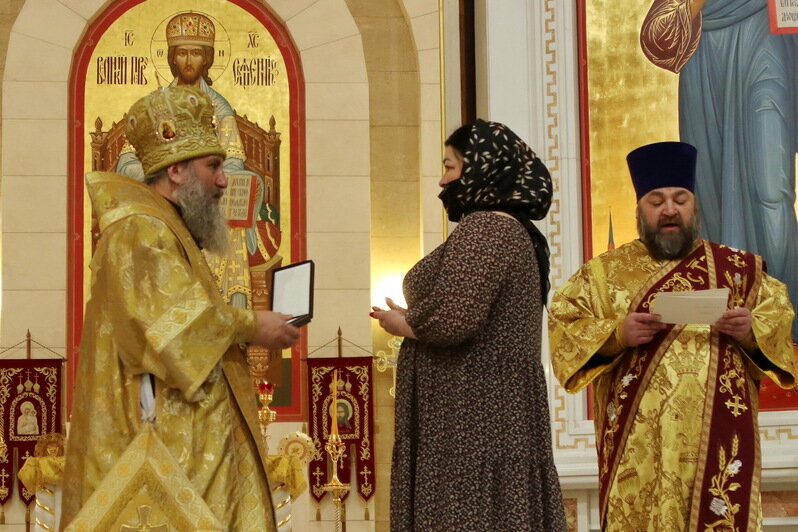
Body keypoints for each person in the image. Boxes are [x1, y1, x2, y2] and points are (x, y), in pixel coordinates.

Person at [61, 86, 300, 530]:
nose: (224, 181)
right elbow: (172, 329)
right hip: (164, 450)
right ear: (176, 170)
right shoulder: (141, 230)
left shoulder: (165, 226)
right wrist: (252, 325)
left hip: (189, 448)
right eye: (213, 167)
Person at [548, 141, 796, 531]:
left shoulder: (738, 269)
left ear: (694, 205)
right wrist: (617, 334)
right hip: (637, 445)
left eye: (680, 200)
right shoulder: (602, 275)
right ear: (639, 209)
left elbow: (778, 317)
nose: (669, 209)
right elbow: (564, 326)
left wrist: (750, 331)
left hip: (717, 438)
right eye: (657, 201)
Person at [371, 119, 566, 531]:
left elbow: (454, 320)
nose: (443, 181)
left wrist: (403, 323)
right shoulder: (509, 229)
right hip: (487, 415)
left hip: (470, 418)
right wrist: (418, 317)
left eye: (450, 167)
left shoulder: (487, 228)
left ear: (481, 167)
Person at [640, 0, 798, 341]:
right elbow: (658, 38)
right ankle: (731, 318)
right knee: (713, 198)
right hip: (706, 58)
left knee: (772, 191)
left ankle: (782, 321)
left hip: (768, 41)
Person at [116, 11, 280, 310]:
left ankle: (230, 315)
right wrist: (165, 174)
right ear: (171, 58)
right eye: (182, 53)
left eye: (196, 53)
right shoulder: (155, 106)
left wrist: (208, 178)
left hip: (205, 201)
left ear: (207, 59)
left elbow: (233, 162)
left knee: (228, 227)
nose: (189, 61)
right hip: (162, 200)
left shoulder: (219, 107)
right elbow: (126, 162)